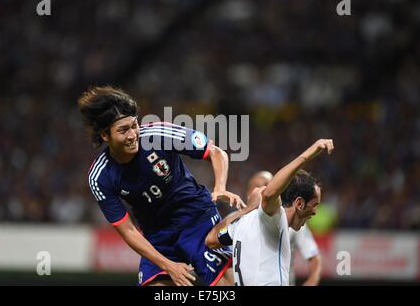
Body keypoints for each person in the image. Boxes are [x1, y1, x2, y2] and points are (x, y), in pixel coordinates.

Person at [78, 86, 245, 286]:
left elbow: (215, 152)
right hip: (158, 238)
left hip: (197, 221)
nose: (132, 135)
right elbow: (128, 231)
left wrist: (219, 187)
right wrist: (168, 265)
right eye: (123, 130)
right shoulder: (100, 176)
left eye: (134, 125)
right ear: (105, 135)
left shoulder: (159, 134)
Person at [205, 139, 334, 285]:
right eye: (314, 205)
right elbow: (268, 195)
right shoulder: (274, 218)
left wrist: (246, 210)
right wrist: (308, 154)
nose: (315, 211)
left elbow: (211, 240)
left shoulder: (238, 225)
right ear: (299, 203)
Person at [247, 171, 322, 286]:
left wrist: (311, 282)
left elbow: (314, 257)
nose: (264, 189)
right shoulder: (243, 221)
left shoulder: (297, 223)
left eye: (268, 185)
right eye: (258, 186)